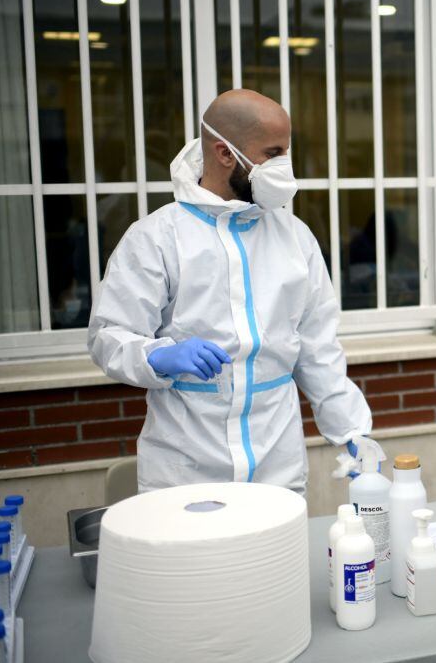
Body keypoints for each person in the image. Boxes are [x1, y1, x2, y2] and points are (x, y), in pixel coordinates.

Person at [88, 89, 372, 494]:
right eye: (272, 153)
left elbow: (317, 348)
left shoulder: (294, 238)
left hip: (278, 462)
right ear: (225, 153)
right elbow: (108, 336)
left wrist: (352, 432)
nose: (284, 167)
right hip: (185, 467)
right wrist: (159, 355)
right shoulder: (158, 238)